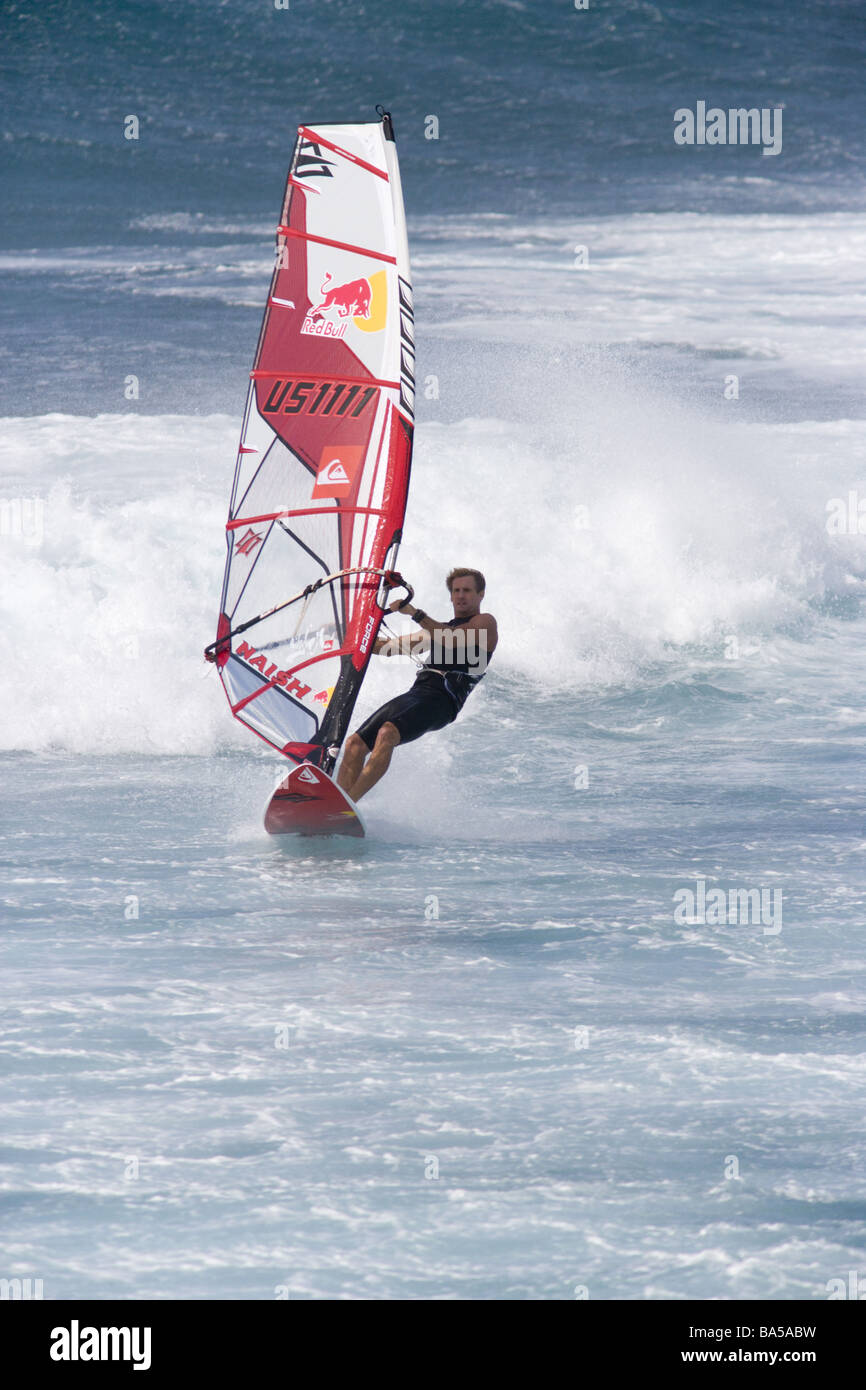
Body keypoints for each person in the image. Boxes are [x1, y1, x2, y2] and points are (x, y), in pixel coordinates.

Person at [336, 567, 498, 803]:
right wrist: (352, 635)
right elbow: (389, 648)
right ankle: (336, 803)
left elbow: (452, 638)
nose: (461, 595)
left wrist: (414, 613)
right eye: (456, 591)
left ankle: (348, 803)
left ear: (480, 594)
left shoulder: (485, 623)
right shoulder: (437, 629)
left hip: (443, 701)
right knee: (354, 744)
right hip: (417, 694)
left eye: (467, 590)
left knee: (387, 732)